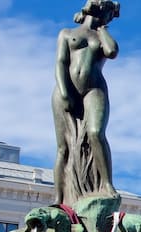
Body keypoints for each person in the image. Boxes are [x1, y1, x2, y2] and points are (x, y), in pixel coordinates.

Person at [52, 0, 120, 205]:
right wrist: (65, 92)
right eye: (110, 12)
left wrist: (103, 29)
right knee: (63, 148)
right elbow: (61, 62)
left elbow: (112, 51)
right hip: (65, 89)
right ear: (99, 8)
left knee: (95, 133)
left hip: (94, 90)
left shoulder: (102, 36)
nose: (111, 17)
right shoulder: (66, 33)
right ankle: (59, 198)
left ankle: (107, 185)